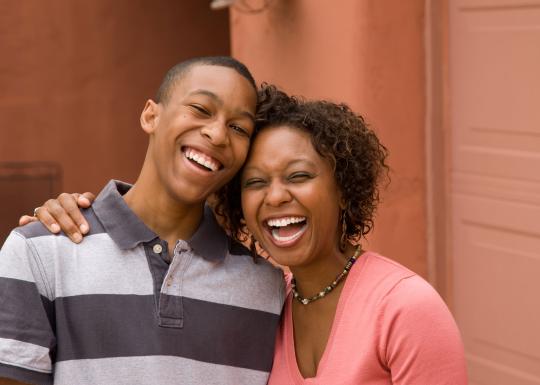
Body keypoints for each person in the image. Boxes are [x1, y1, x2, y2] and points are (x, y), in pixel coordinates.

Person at [22, 87, 468, 384]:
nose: (276, 197)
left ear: (344, 191)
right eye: (255, 183)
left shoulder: (405, 309)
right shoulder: (267, 298)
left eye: (298, 176)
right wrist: (69, 222)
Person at [0, 57, 285, 385]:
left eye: (239, 128)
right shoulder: (39, 252)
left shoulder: (268, 287)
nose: (218, 134)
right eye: (201, 109)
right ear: (151, 115)